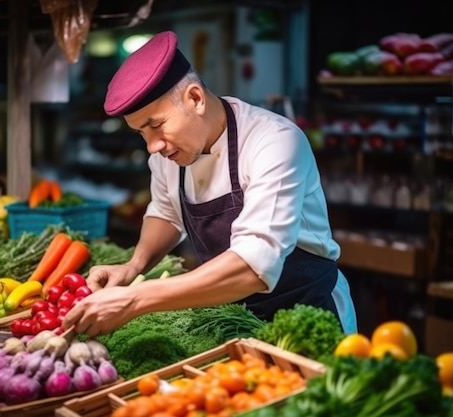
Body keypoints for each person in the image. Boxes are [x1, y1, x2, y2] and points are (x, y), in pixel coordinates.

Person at [62, 30, 357, 337]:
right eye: (141, 133)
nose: (152, 146)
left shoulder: (274, 142)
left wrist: (136, 298)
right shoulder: (168, 155)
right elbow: (165, 212)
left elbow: (253, 265)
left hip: (309, 315)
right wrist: (134, 265)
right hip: (234, 322)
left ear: (195, 98)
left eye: (156, 125)